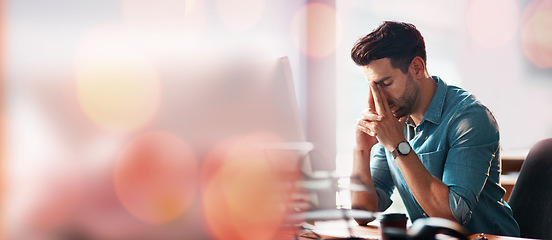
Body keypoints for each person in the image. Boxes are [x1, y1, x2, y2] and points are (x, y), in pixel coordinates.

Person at [349, 21, 520, 236]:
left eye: (385, 83)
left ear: (417, 68)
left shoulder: (470, 118)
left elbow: (451, 218)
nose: (379, 98)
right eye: (372, 87)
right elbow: (364, 212)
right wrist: (361, 149)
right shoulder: (395, 120)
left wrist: (397, 145)